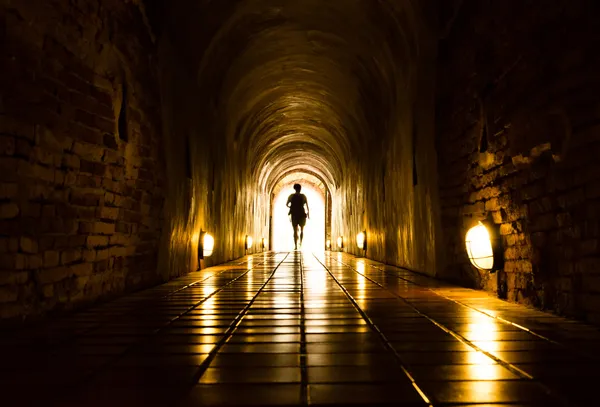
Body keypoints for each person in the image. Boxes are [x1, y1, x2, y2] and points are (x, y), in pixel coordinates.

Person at [286, 184, 309, 250]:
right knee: (302, 230)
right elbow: (307, 206)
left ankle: (295, 245)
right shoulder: (303, 196)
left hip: (294, 214)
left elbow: (286, 204)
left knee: (295, 230)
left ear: (294, 189)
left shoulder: (291, 196)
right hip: (302, 213)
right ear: (300, 189)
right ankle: (301, 244)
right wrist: (308, 214)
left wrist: (291, 207)